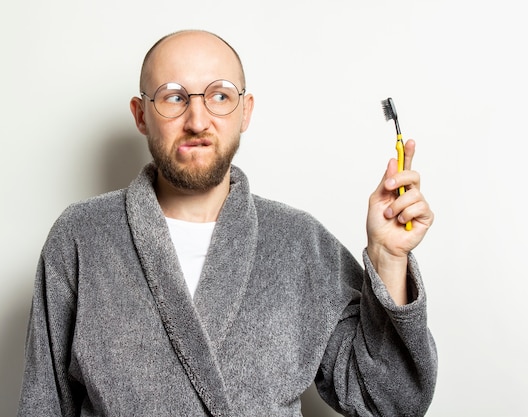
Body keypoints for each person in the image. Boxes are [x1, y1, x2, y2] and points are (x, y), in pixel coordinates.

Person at [18, 30, 437, 417]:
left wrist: (387, 258)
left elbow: (388, 402)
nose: (197, 120)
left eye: (219, 96)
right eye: (173, 97)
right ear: (141, 114)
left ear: (245, 111)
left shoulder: (300, 243)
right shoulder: (82, 236)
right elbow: (44, 402)